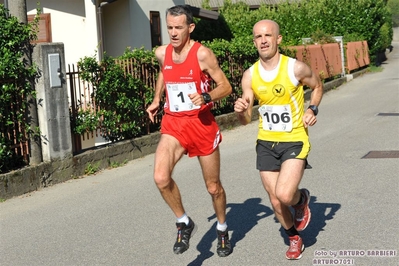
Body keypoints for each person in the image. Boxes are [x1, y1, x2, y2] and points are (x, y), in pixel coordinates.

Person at [146, 5, 232, 257]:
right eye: (169, 27)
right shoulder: (162, 53)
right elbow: (165, 73)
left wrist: (206, 96)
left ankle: (222, 228)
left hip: (201, 124)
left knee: (213, 187)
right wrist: (156, 99)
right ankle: (183, 221)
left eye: (178, 28)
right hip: (174, 123)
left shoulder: (203, 54)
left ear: (190, 28)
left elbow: (225, 86)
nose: (173, 33)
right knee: (161, 178)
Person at [234, 19, 323, 260]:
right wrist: (241, 109)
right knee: (275, 200)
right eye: (258, 37)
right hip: (265, 142)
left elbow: (317, 86)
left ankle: (301, 199)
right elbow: (244, 120)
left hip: (294, 139)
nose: (263, 40)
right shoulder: (250, 75)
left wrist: (312, 109)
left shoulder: (295, 68)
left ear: (278, 39)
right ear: (254, 42)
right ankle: (294, 237)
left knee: (285, 195)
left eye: (268, 35)